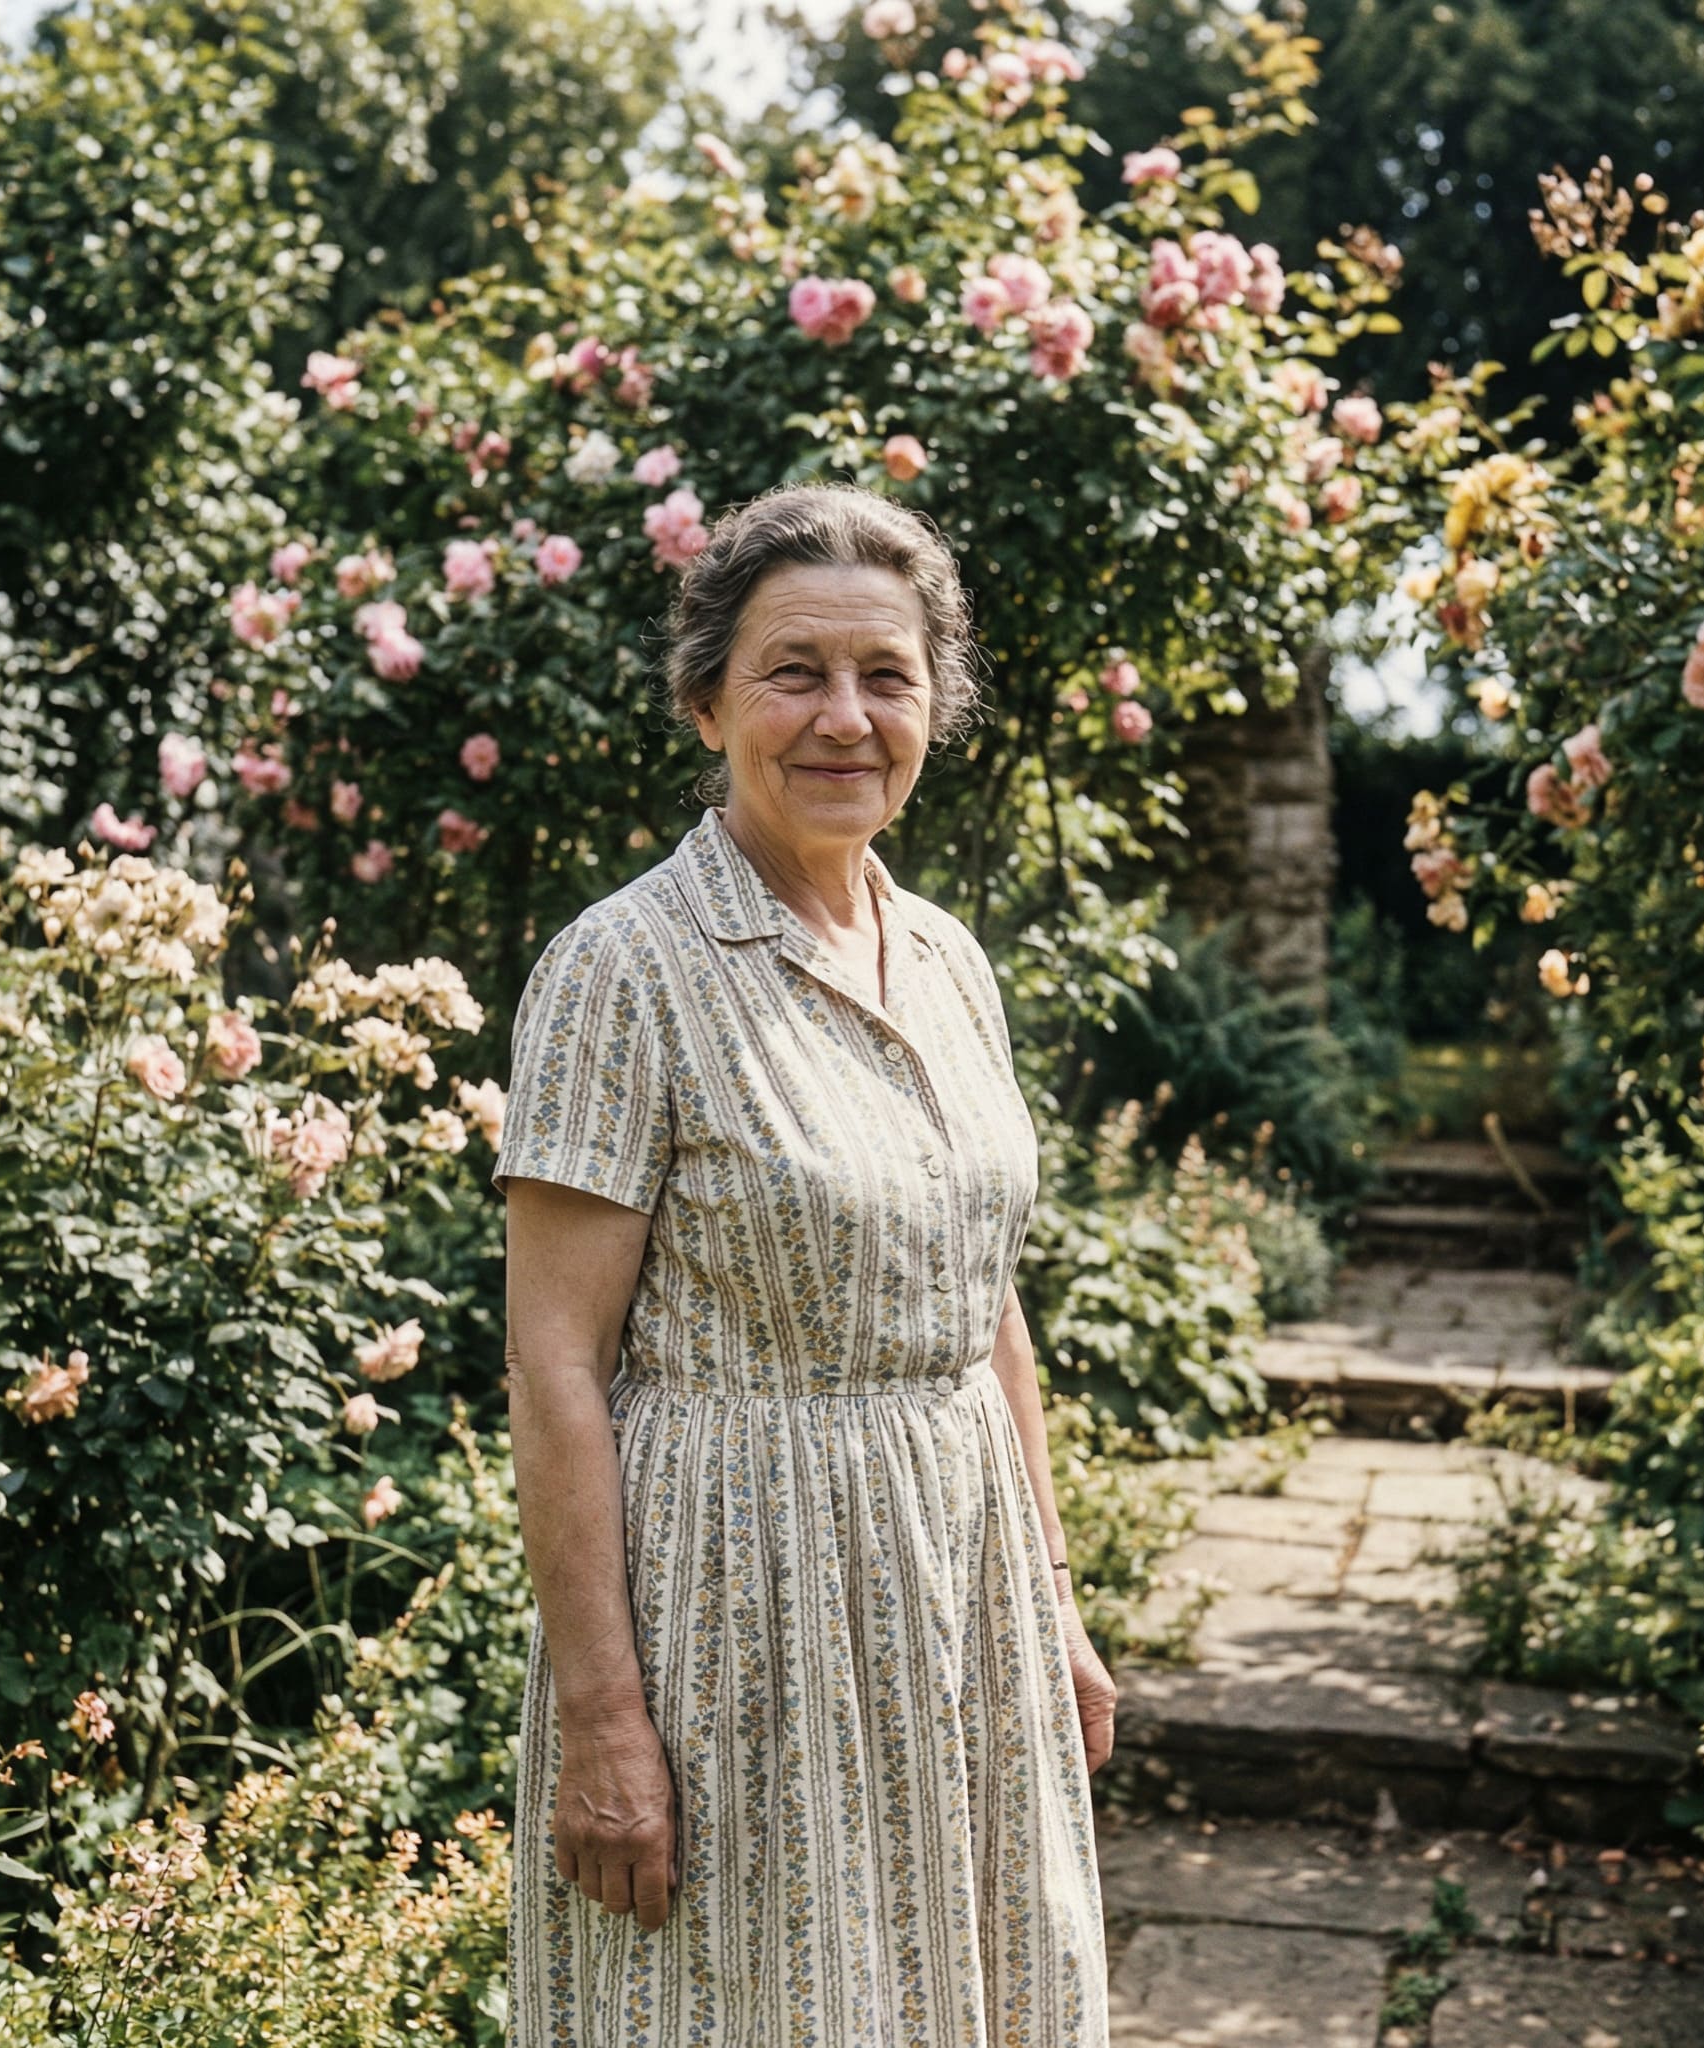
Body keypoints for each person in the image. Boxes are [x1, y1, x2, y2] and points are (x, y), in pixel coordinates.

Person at [494, 479, 1115, 2045]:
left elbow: (982, 1300)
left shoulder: (948, 958)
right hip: (738, 1628)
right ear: (709, 703)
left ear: (933, 706)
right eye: (795, 672)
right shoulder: (621, 969)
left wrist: (1052, 1598)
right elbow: (555, 1363)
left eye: (885, 675)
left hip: (956, 1591)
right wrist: (603, 1721)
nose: (844, 717)